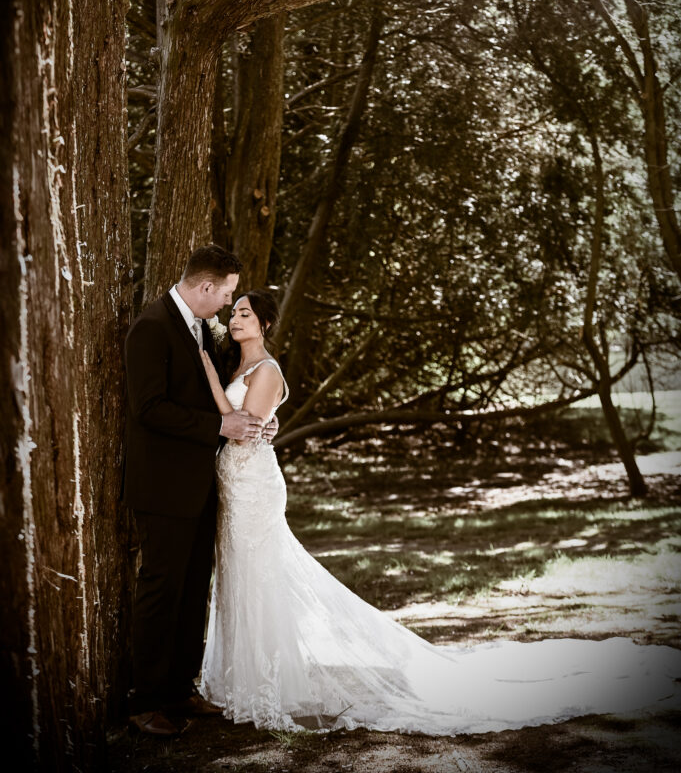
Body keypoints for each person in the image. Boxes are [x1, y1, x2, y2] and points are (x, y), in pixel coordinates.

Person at [198, 291, 681, 735]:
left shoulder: (266, 371)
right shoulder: (235, 367)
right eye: (234, 312)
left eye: (245, 314)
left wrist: (207, 378)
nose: (236, 319)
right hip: (234, 484)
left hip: (255, 486)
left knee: (259, 578)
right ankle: (242, 681)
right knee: (238, 577)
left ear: (263, 324)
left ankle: (264, 688)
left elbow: (242, 428)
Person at [122, 245, 274, 737]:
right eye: (227, 293)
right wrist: (220, 427)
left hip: (201, 484)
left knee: (193, 590)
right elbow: (149, 408)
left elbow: (237, 392)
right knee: (161, 590)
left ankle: (179, 687)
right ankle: (144, 702)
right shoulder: (152, 327)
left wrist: (249, 425)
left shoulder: (199, 328)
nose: (229, 304)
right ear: (206, 287)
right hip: (162, 486)